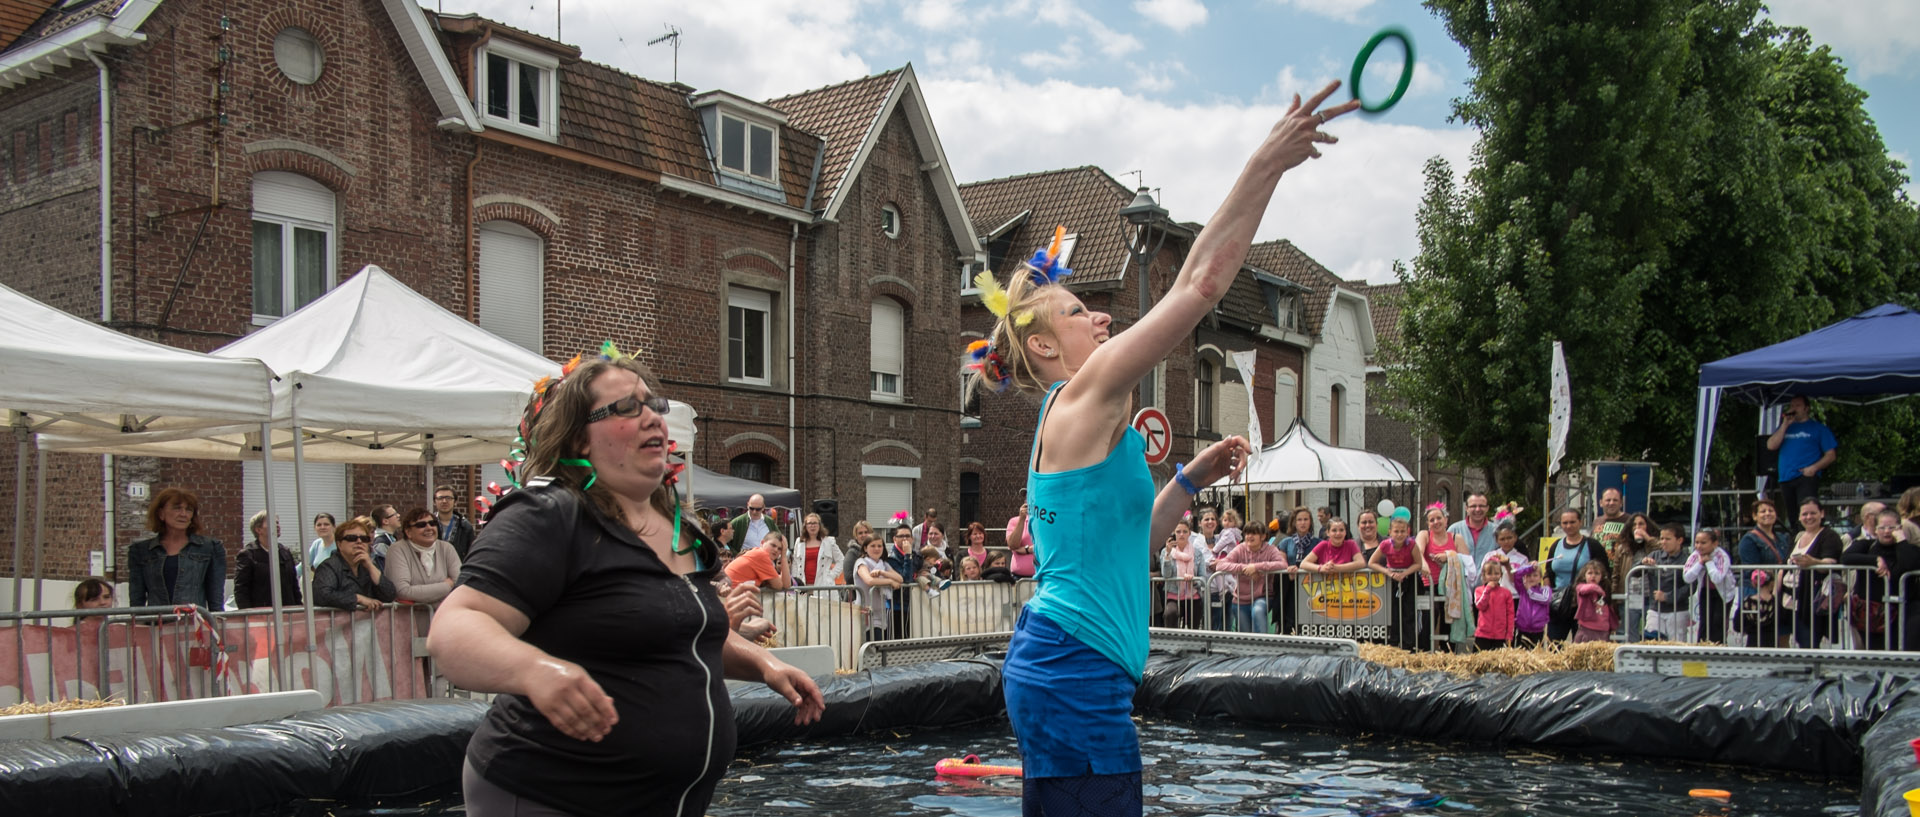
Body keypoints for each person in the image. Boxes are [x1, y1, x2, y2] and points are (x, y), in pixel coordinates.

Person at [969, 81, 1341, 816]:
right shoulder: (1084, 392)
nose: (1100, 315)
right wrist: (1267, 162)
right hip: (1073, 670)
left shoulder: (1067, 416)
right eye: (1080, 311)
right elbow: (1201, 282)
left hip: (1060, 666)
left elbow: (1127, 545)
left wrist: (1187, 481)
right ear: (1043, 343)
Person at [426, 349, 822, 817]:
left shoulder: (676, 524)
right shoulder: (549, 515)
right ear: (578, 438)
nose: (652, 418)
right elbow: (454, 630)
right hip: (552, 795)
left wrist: (764, 665)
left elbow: (683, 637)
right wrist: (537, 671)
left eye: (652, 404)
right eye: (627, 408)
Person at [127, 487, 226, 611]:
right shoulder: (141, 551)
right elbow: (137, 599)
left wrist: (216, 624)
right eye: (177, 508)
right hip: (156, 624)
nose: (183, 514)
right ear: (161, 513)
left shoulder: (210, 548)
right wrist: (139, 626)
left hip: (194, 625)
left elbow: (215, 596)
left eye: (189, 510)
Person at [1783, 497, 1845, 649]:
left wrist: (1813, 563)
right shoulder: (1798, 536)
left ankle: (1813, 670)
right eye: (1804, 514)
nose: (1808, 517)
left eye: (1813, 513)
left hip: (1811, 599)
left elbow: (1831, 563)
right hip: (1788, 598)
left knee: (1808, 639)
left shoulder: (1830, 536)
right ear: (1799, 516)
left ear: (1822, 514)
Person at [1734, 498, 1791, 647]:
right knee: (1761, 636)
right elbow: (1752, 570)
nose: (1767, 514)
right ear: (1755, 516)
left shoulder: (1783, 538)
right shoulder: (1749, 539)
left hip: (1780, 590)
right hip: (1758, 591)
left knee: (1783, 633)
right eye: (1763, 511)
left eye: (1771, 510)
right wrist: (1772, 578)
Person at [1767, 395, 1837, 513]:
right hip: (1786, 476)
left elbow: (1831, 455)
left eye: (1798, 406)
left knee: (1806, 512)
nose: (1794, 409)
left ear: (1806, 408)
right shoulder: (1785, 428)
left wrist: (1814, 468)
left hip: (1806, 476)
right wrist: (1784, 425)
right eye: (1792, 406)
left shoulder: (1818, 428)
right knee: (1792, 515)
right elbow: (1771, 445)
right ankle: (1795, 531)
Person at [1420, 503, 1476, 652]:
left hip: (1450, 585)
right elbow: (1418, 551)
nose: (1436, 522)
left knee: (1448, 618)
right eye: (1432, 520)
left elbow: (1467, 562)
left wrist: (1448, 556)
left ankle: (1447, 652)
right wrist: (1424, 564)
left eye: (1439, 518)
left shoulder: (1456, 538)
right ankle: (1426, 651)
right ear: (1428, 523)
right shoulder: (1424, 535)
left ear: (1446, 520)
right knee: (1429, 617)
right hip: (1429, 583)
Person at [1544, 508, 1606, 641]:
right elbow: (1548, 571)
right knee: (1554, 644)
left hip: (1584, 603)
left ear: (1580, 522)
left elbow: (1603, 571)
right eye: (1565, 523)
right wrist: (1547, 594)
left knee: (1581, 644)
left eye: (1572, 522)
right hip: (1559, 603)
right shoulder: (1556, 545)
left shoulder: (1593, 546)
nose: (1568, 526)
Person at [1215, 523, 1288, 634]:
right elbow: (1220, 565)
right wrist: (1245, 569)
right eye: (1247, 533)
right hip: (1240, 598)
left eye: (1254, 533)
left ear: (1263, 536)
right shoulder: (1240, 548)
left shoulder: (1270, 549)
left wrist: (1257, 567)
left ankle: (1263, 648)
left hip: (1263, 596)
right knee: (1246, 636)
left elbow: (1283, 565)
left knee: (1258, 611)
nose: (1249, 536)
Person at [314, 516, 397, 612]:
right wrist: (358, 598)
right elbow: (321, 595)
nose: (359, 541)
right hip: (338, 624)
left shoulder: (367, 566)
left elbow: (389, 594)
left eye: (364, 538)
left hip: (367, 624)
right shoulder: (329, 567)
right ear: (339, 544)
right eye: (351, 538)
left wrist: (371, 567)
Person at [1368, 514, 1425, 650]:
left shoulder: (1411, 544)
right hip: (1392, 579)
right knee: (1393, 612)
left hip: (1409, 578)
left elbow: (1418, 564)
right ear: (1390, 532)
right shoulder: (1385, 544)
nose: (1399, 534)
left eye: (1402, 531)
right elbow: (1372, 562)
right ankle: (1393, 644)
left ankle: (1408, 645)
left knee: (1409, 612)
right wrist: (1388, 572)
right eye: (1396, 531)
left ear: (1407, 531)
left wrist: (1404, 573)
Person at [388, 506, 463, 604]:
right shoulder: (397, 550)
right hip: (409, 617)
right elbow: (402, 591)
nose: (429, 528)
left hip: (442, 615)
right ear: (408, 532)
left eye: (433, 523)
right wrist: (446, 586)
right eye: (421, 525)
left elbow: (460, 585)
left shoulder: (446, 548)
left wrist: (420, 593)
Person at [234, 510, 302, 610]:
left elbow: (293, 585)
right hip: (260, 614)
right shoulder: (248, 554)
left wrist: (298, 608)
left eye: (277, 522)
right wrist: (247, 614)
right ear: (258, 529)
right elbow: (241, 589)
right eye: (272, 523)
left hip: (288, 612)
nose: (277, 525)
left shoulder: (285, 552)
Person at [1642, 524, 1692, 642]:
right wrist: (1642, 563)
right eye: (1661, 538)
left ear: (1679, 540)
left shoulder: (1687, 560)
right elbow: (1635, 572)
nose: (1663, 542)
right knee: (1652, 645)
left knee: (1676, 648)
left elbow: (1690, 587)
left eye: (1668, 539)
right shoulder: (1655, 555)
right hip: (1655, 609)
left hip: (1677, 611)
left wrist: (1667, 597)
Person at [1684, 528, 1736, 644]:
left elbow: (1717, 577)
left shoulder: (1722, 556)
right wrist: (1700, 563)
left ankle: (1718, 648)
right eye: (1697, 542)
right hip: (1705, 590)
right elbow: (1687, 577)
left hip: (1723, 593)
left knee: (1718, 622)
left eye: (1703, 543)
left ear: (1715, 543)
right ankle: (1702, 647)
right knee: (1704, 622)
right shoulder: (1695, 555)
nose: (1699, 546)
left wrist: (1709, 562)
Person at [1277, 507, 1319, 636]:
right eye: (1299, 520)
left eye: (1306, 519)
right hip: (1291, 586)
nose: (1303, 523)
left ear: (1310, 522)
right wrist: (1288, 569)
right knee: (1290, 618)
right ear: (1294, 523)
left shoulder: (1318, 543)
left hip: (1312, 586)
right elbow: (1280, 564)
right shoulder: (1286, 542)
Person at [1614, 513, 1655, 641]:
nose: (1638, 527)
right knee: (1629, 630)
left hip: (1650, 595)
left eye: (1641, 524)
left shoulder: (1652, 545)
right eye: (1634, 525)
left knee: (1651, 631)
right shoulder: (1622, 548)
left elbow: (1661, 549)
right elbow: (1616, 573)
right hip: (1630, 595)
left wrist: (1647, 538)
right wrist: (1615, 596)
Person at [854, 536, 903, 642]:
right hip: (865, 612)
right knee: (868, 646)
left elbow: (900, 579)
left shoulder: (884, 564)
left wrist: (882, 573)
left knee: (879, 647)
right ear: (865, 548)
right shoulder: (861, 563)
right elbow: (869, 580)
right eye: (873, 546)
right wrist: (889, 581)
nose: (876, 549)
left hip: (880, 613)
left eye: (879, 546)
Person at [725, 529, 792, 591]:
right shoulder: (761, 555)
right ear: (762, 543)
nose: (776, 550)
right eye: (773, 545)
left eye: (780, 549)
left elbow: (786, 585)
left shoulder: (759, 554)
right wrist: (783, 556)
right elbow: (779, 586)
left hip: (733, 593)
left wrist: (783, 555)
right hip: (730, 594)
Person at [792, 513, 845, 588]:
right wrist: (795, 580)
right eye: (809, 523)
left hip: (823, 586)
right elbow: (795, 563)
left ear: (819, 526)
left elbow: (841, 560)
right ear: (805, 526)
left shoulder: (829, 541)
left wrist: (831, 576)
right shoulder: (799, 542)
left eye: (815, 523)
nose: (812, 526)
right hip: (803, 585)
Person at [1447, 492, 1500, 567]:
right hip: (1462, 578)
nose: (1477, 509)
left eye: (1481, 506)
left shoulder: (1496, 531)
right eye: (1473, 506)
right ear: (1466, 508)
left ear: (1487, 508)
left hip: (1488, 578)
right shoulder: (1454, 530)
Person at [1473, 559, 1514, 651]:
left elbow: (1510, 615)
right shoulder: (1479, 590)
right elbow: (1480, 606)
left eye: (1496, 574)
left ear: (1501, 575)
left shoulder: (1506, 593)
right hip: (1482, 635)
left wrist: (1509, 634)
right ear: (1484, 575)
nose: (1493, 577)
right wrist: (1487, 590)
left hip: (1500, 636)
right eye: (1489, 574)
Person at [1300, 519, 1365, 575]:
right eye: (1334, 530)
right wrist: (1321, 568)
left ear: (1345, 532)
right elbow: (1303, 564)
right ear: (1328, 533)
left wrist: (1337, 568)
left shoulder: (1351, 544)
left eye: (1341, 530)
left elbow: (1361, 563)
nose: (1338, 533)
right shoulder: (1323, 545)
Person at [1572, 561, 1614, 643]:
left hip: (1603, 631)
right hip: (1586, 630)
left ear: (1602, 577)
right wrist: (1597, 588)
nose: (1593, 576)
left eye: (1597, 573)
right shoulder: (1580, 588)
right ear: (1584, 576)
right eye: (1590, 573)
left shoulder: (1605, 590)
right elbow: (1585, 589)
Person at [435, 485, 479, 560]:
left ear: (455, 502)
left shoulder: (465, 526)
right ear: (435, 502)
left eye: (448, 498)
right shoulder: (428, 524)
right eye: (440, 498)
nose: (444, 501)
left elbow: (471, 553)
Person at [1512, 564, 1550, 648]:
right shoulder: (1522, 589)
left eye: (1535, 575)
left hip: (1538, 630)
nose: (1532, 578)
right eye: (1529, 575)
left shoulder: (1545, 590)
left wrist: (1529, 590)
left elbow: (1545, 599)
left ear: (1540, 577)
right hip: (1522, 629)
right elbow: (1516, 574)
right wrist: (1529, 568)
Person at [1007, 499, 1037, 579]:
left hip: (1042, 577)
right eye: (1026, 498)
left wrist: (1025, 550)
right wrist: (1022, 519)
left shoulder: (1046, 521)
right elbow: (1013, 545)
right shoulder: (1014, 521)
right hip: (1018, 577)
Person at [369, 504, 401, 571]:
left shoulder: (391, 538)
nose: (398, 515)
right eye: (394, 514)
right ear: (385, 521)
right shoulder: (381, 543)